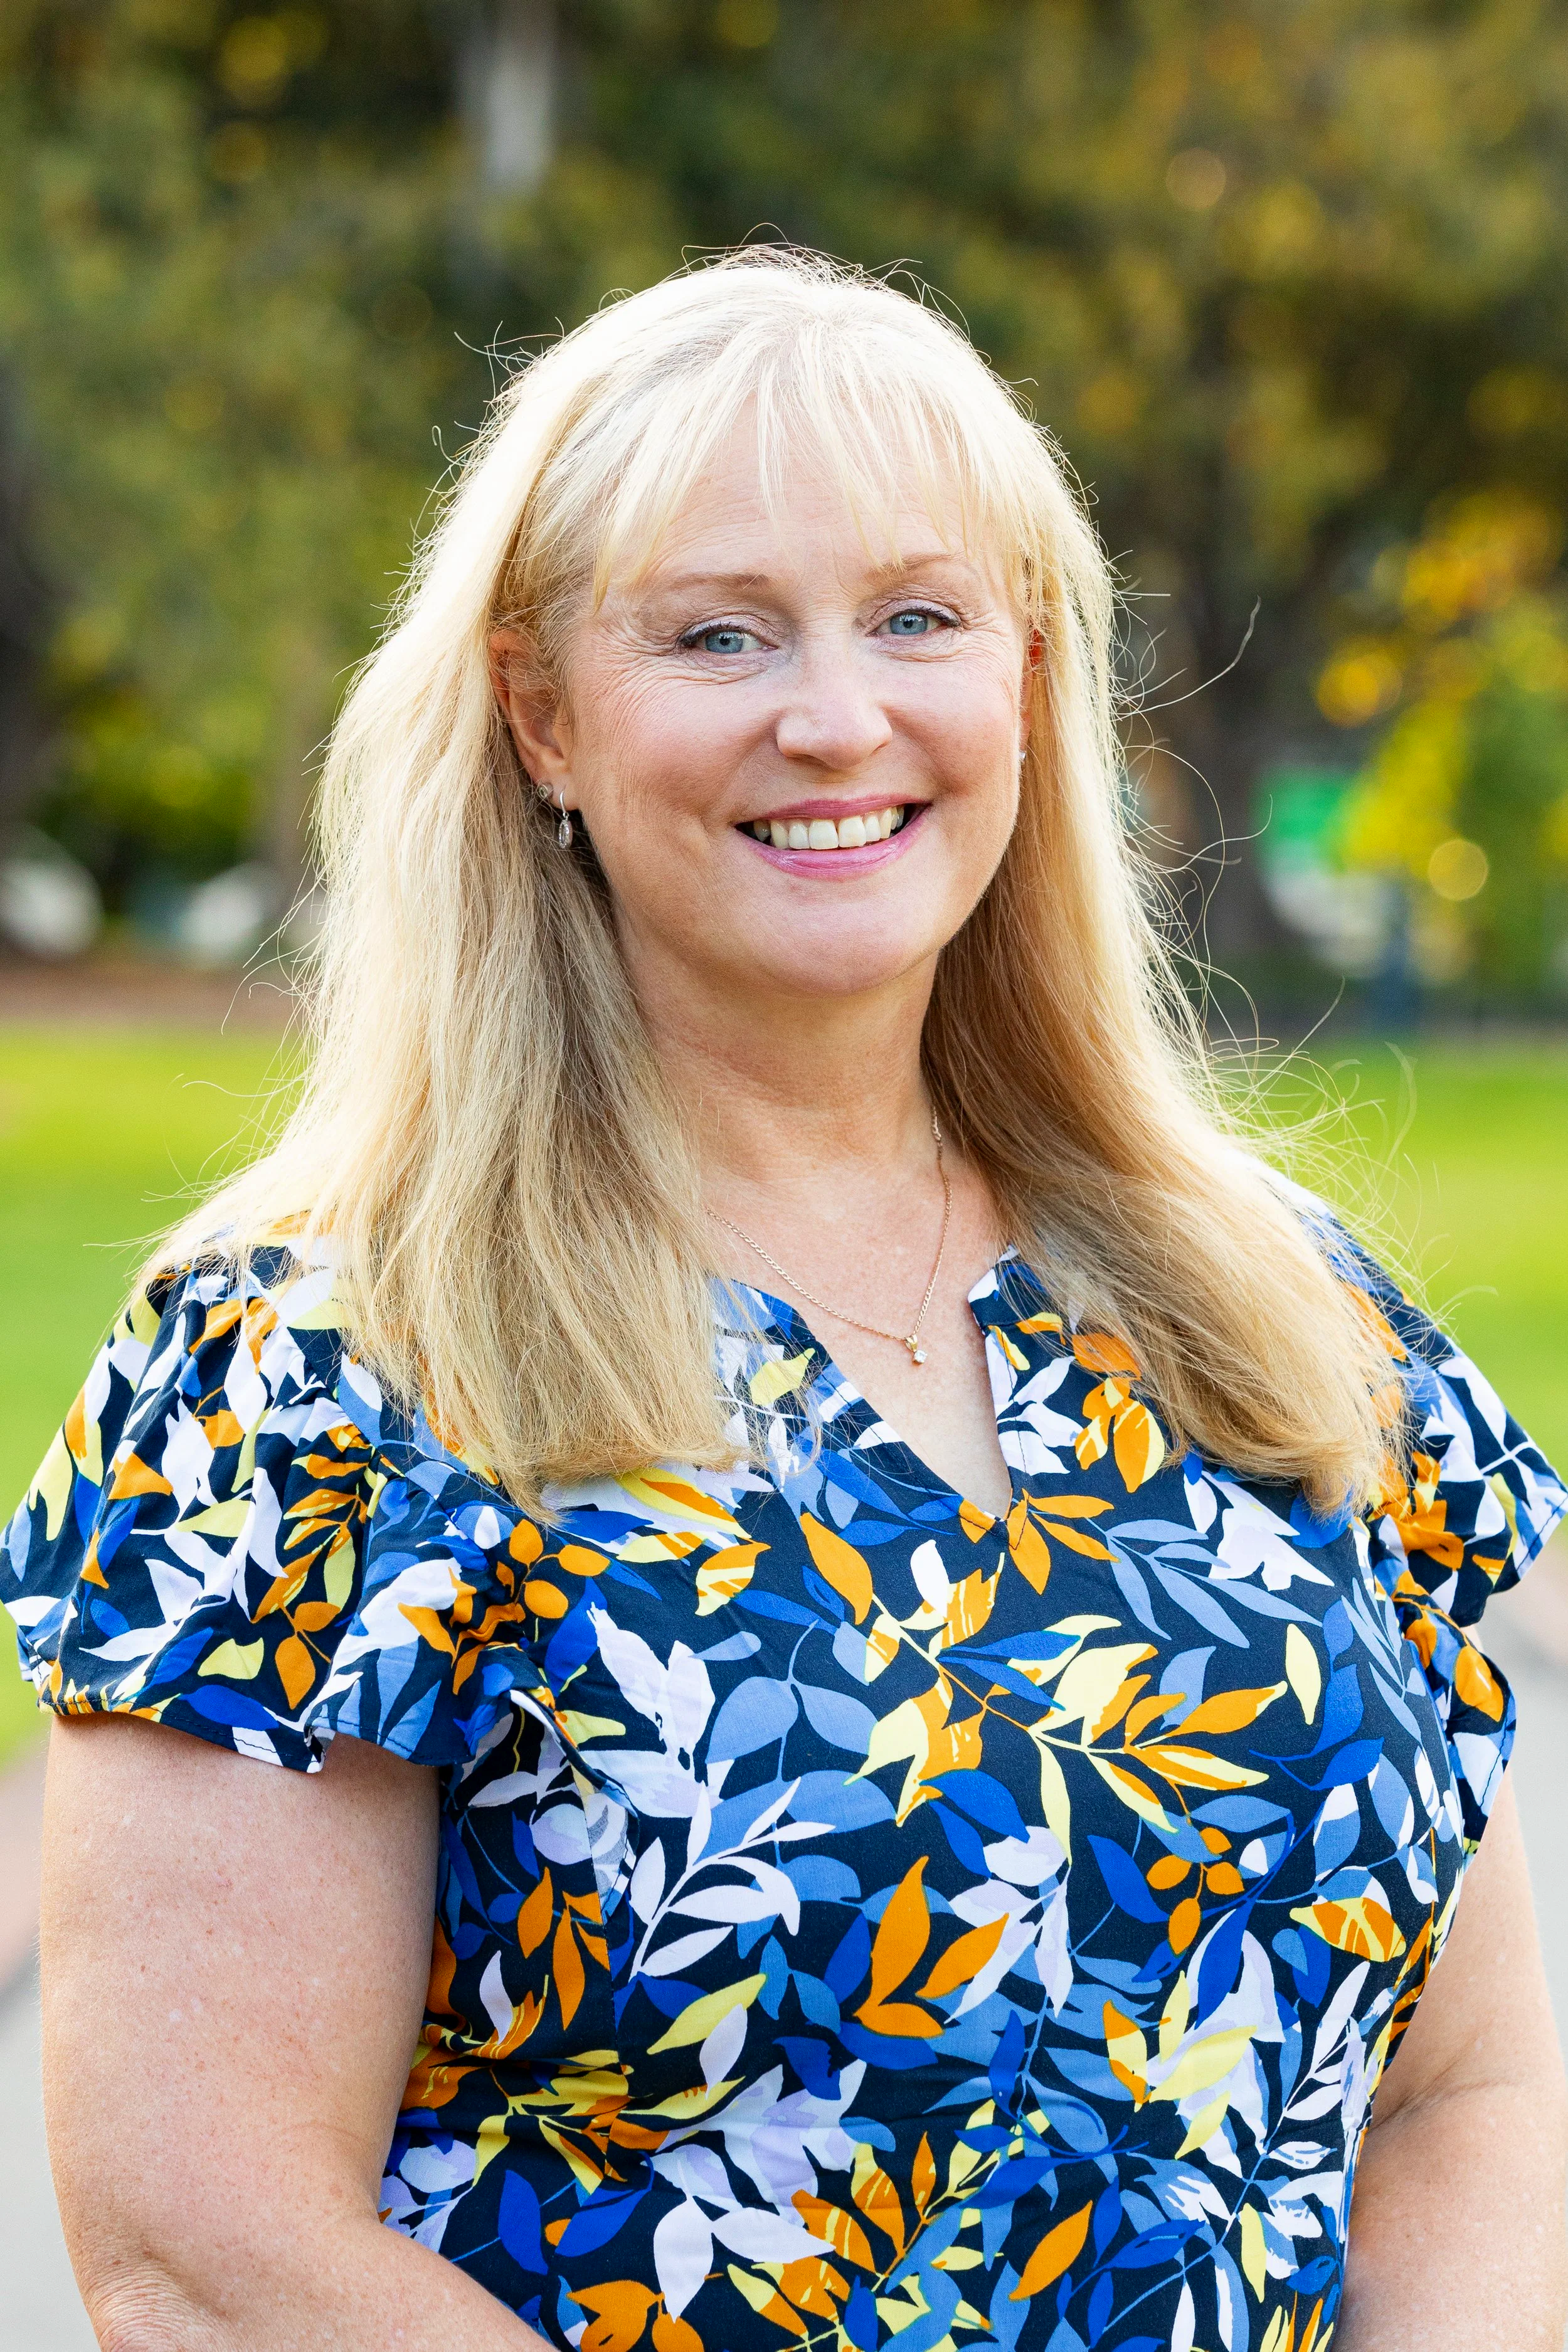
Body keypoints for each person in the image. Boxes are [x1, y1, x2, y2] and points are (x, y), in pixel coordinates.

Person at [6, 250, 1565, 2352]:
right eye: (719, 632)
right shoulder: (308, 1372)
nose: (837, 715)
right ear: (540, 712)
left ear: (1026, 675)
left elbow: (1464, 2088)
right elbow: (208, 2250)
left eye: (919, 617)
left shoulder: (1272, 1314)